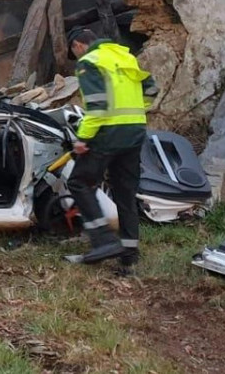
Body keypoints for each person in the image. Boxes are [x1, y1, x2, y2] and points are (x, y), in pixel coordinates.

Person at [65, 28, 158, 270]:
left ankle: (103, 240)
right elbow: (150, 90)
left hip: (108, 133)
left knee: (79, 182)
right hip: (135, 131)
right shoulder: (126, 57)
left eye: (74, 53)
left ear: (78, 46)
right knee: (125, 192)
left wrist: (82, 138)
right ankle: (128, 254)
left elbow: (97, 108)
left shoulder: (89, 62)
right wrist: (134, 111)